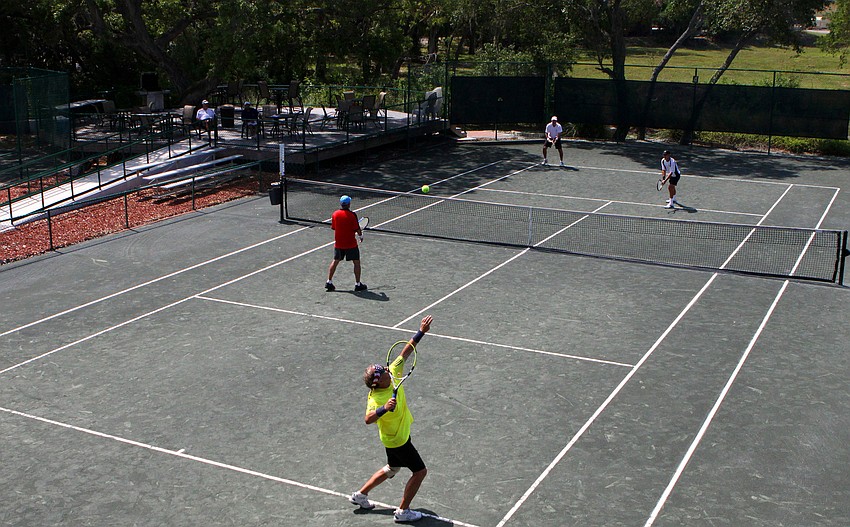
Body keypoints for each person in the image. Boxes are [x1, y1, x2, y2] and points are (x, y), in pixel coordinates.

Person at [349, 315, 433, 523]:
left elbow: (405, 353)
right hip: (398, 440)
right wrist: (384, 409)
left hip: (391, 438)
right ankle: (403, 511)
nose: (387, 369)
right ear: (380, 382)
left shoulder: (393, 372)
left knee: (392, 468)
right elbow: (368, 419)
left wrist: (420, 332)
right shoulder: (376, 398)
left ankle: (360, 495)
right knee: (420, 472)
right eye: (383, 371)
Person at [326, 195, 366, 292]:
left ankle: (329, 282)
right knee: (356, 262)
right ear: (348, 204)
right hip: (351, 244)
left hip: (339, 243)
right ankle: (357, 284)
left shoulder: (335, 214)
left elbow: (334, 227)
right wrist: (360, 236)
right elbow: (357, 229)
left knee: (335, 261)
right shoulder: (352, 215)